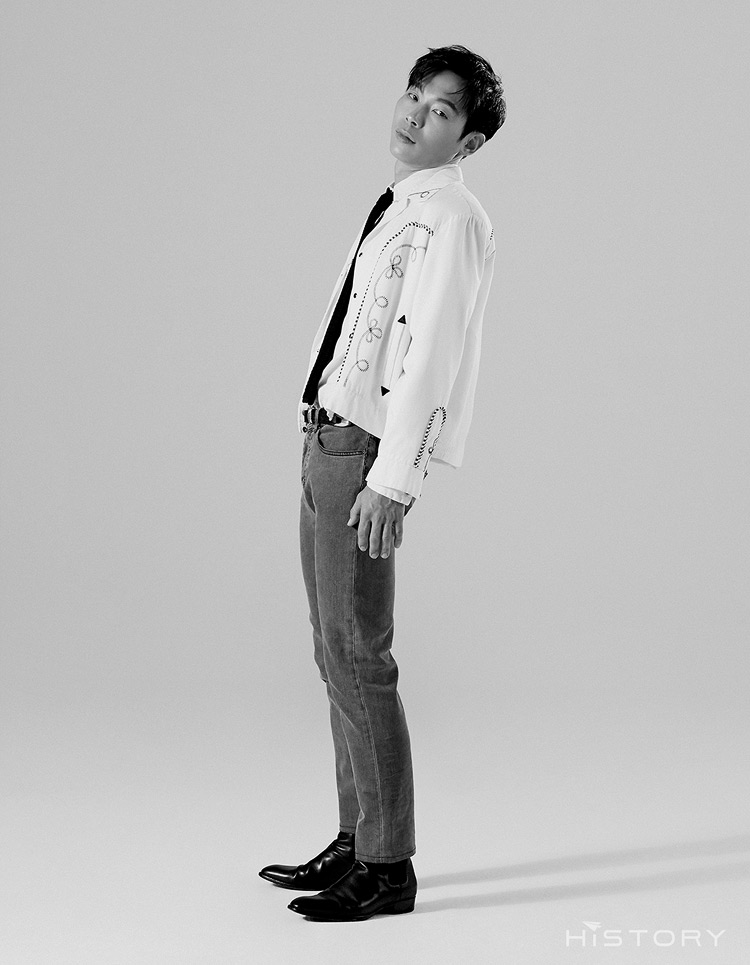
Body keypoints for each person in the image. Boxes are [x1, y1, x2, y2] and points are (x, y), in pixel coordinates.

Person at [259, 44, 506, 922]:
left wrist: (393, 480)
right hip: (325, 438)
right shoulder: (402, 203)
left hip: (365, 452)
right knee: (333, 649)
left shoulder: (453, 217)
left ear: (466, 141)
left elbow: (434, 354)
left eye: (440, 111)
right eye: (413, 95)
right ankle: (355, 834)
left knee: (361, 652)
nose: (413, 115)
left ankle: (387, 863)